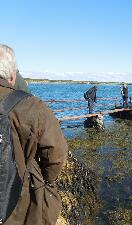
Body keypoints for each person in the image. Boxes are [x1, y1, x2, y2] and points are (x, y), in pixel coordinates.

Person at [0, 44, 68, 225]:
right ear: (13, 76)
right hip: (19, 204)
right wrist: (46, 179)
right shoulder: (32, 107)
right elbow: (56, 152)